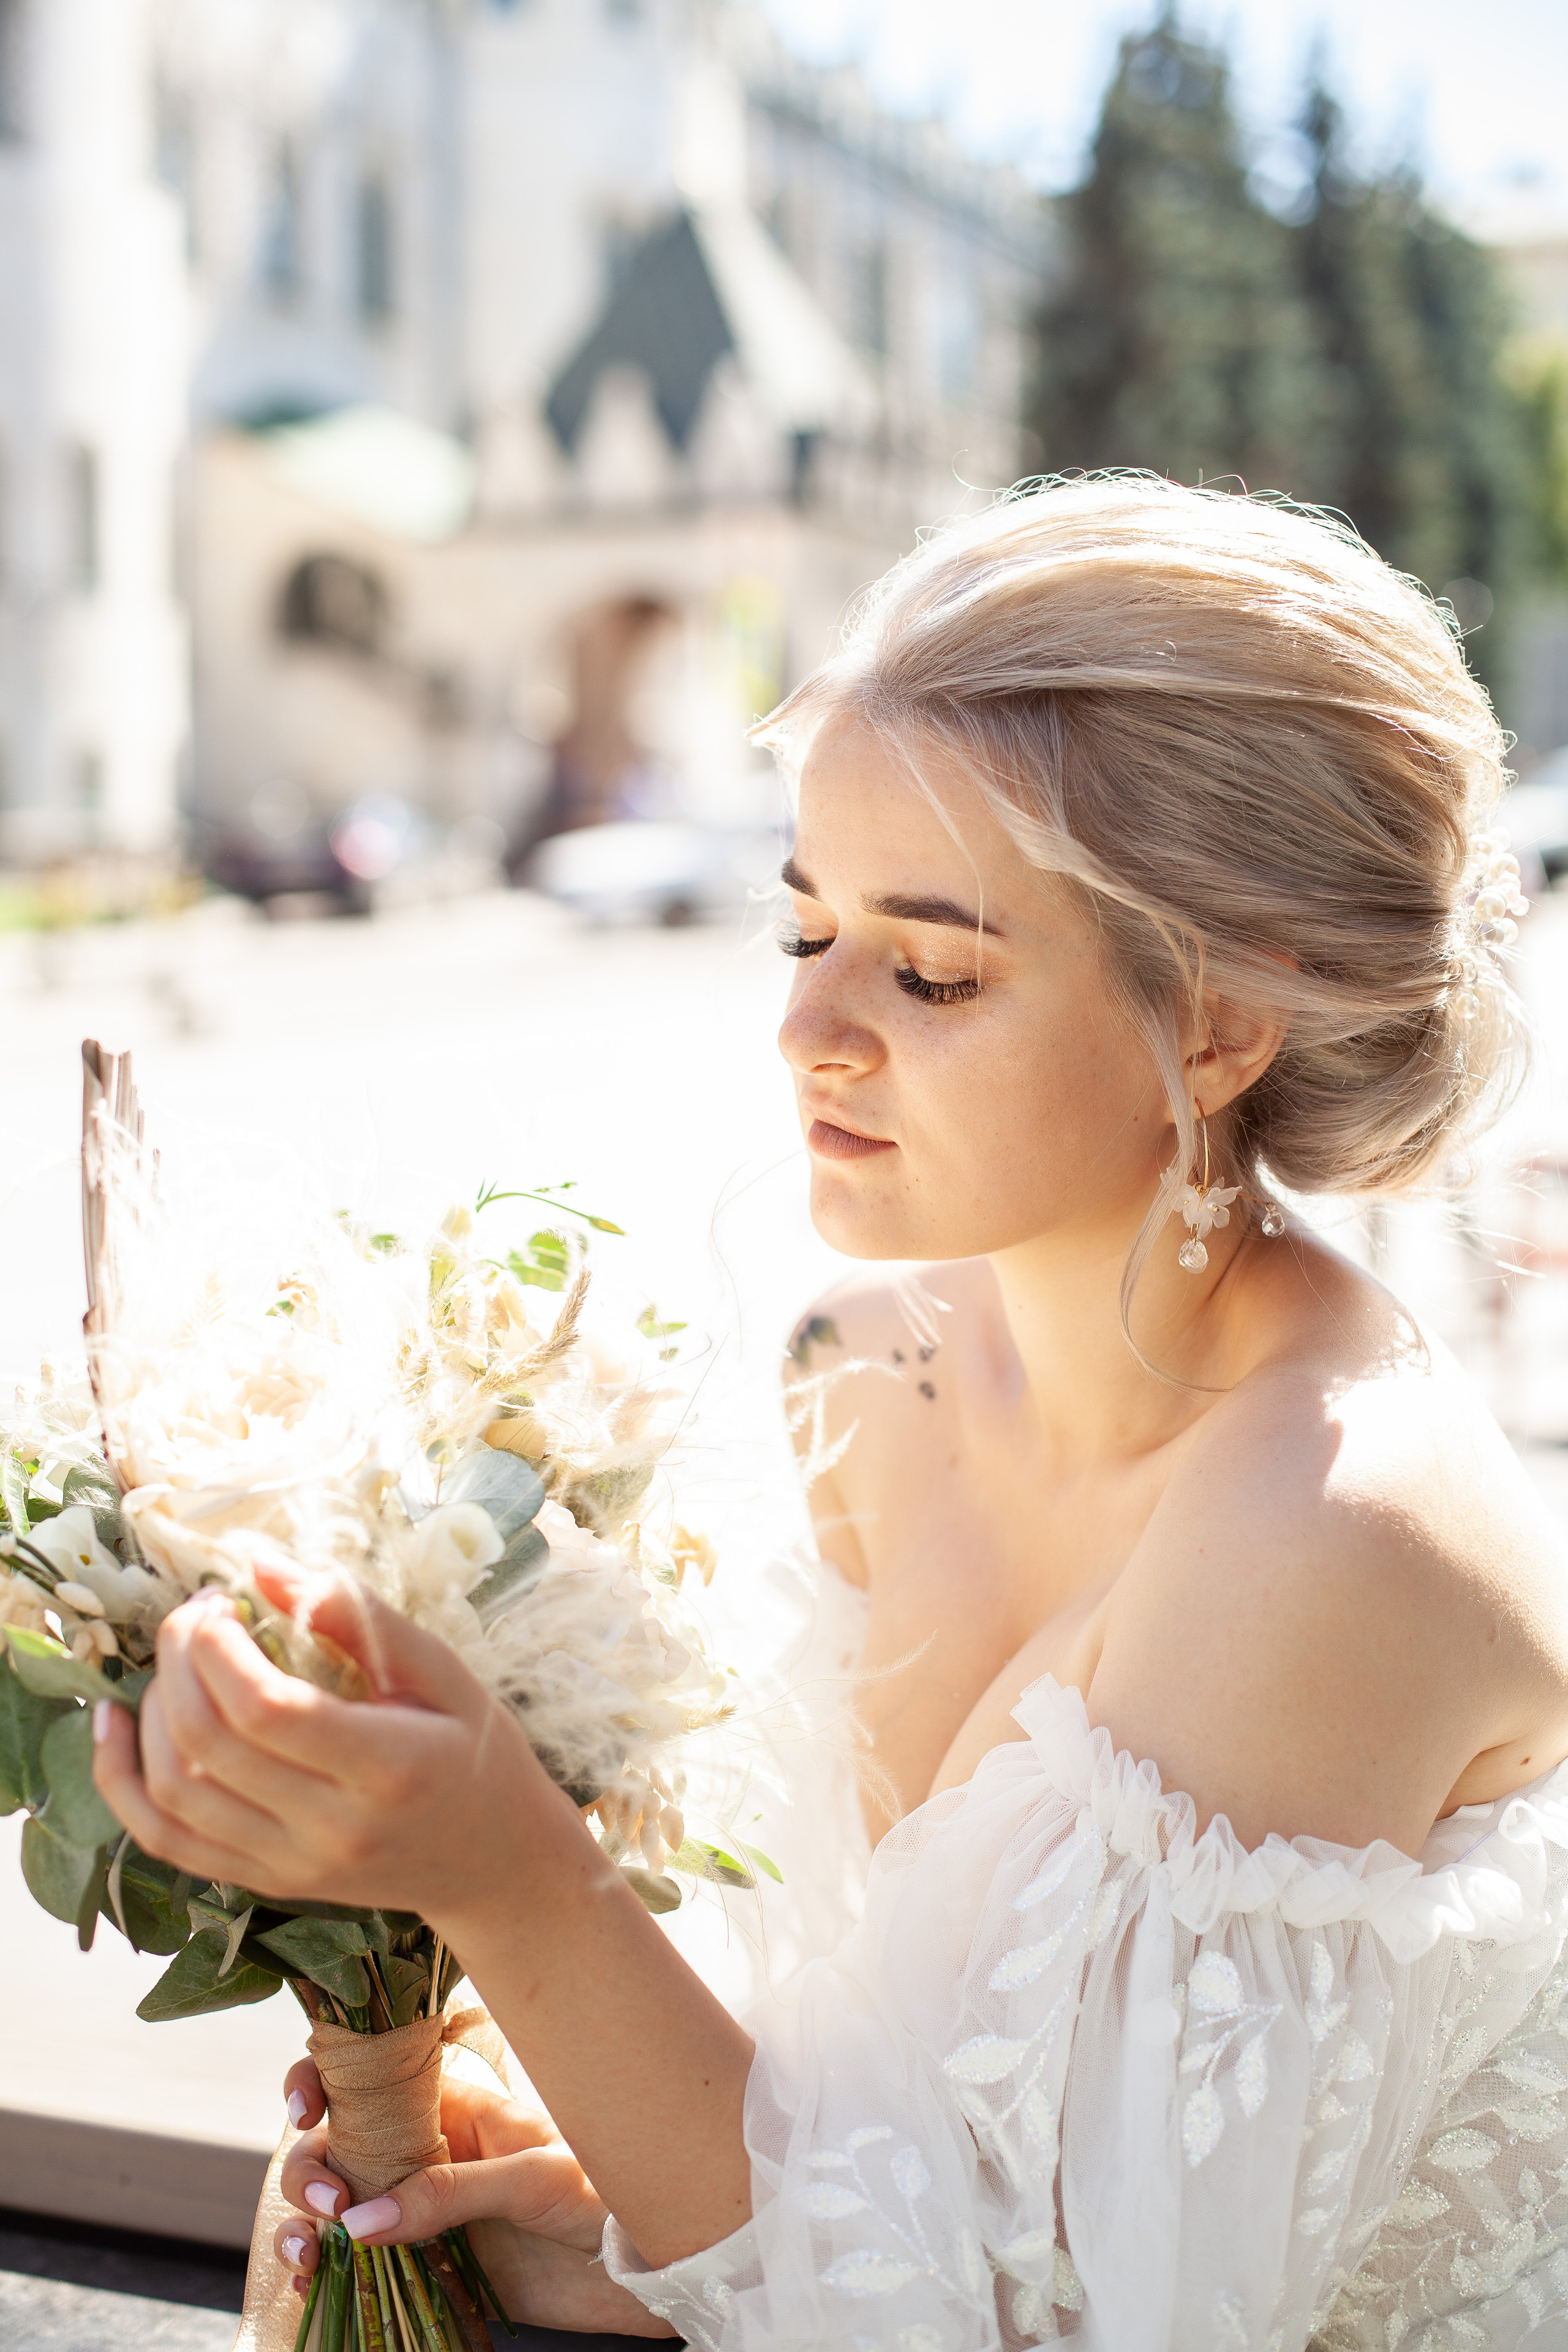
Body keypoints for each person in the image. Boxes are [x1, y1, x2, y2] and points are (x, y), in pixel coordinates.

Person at [95, 477, 1568, 2349]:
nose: (810, 1032)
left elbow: (1048, 2326)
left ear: (1216, 1028)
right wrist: (586, 2189)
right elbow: (909, 2149)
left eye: (933, 970)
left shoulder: (1333, 1530)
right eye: (806, 934)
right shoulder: (870, 1373)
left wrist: (511, 1881)